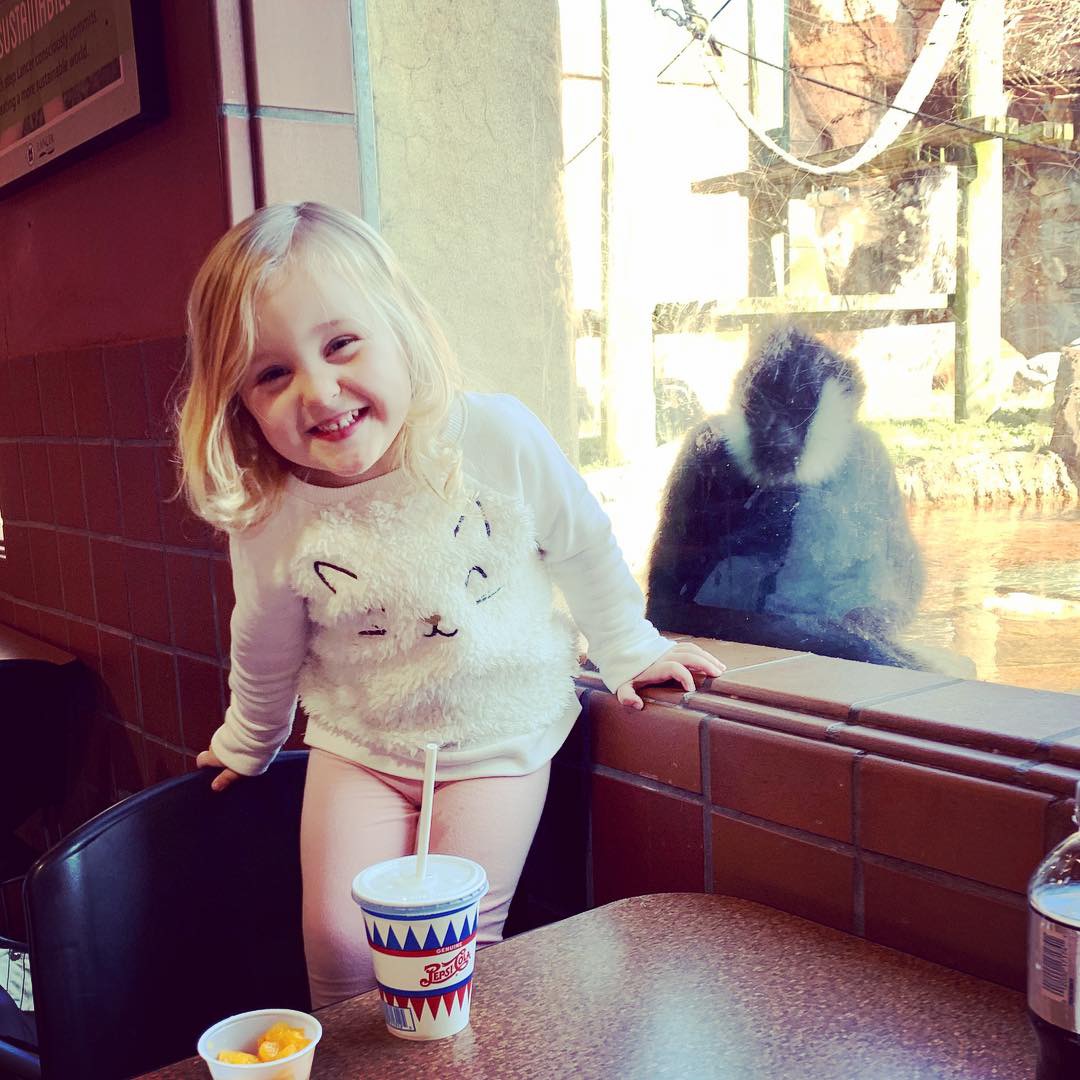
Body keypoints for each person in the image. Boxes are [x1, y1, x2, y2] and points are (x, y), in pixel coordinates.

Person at [176, 202, 724, 1008]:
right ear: (240, 405)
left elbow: (580, 543)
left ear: (401, 331)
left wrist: (630, 649)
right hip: (360, 744)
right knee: (337, 941)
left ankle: (453, 1061)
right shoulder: (271, 509)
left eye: (341, 344)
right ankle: (362, 1065)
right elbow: (263, 642)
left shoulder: (494, 436)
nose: (318, 390)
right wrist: (249, 741)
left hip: (497, 737)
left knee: (452, 942)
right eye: (272, 374)